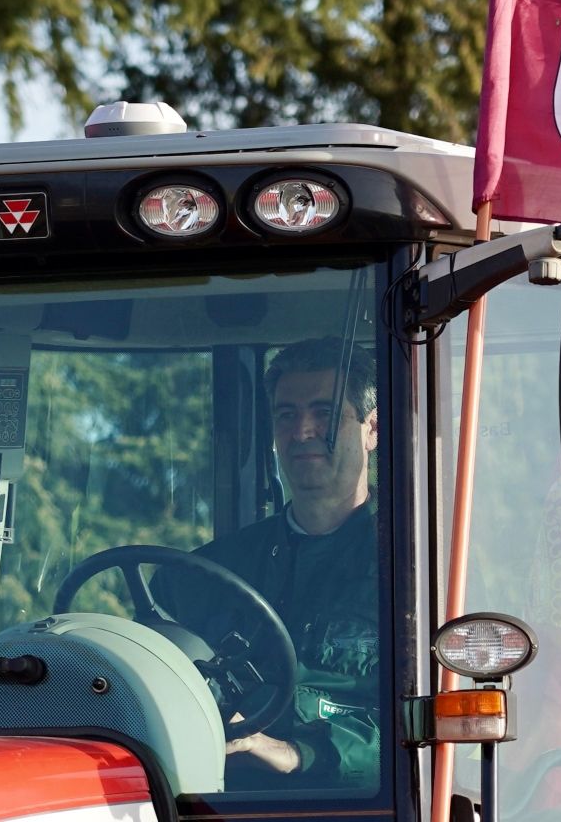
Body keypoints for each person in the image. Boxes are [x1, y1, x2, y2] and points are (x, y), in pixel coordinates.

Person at [161, 337, 381, 788]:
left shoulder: (417, 571)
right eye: (287, 415)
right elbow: (145, 683)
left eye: (324, 413)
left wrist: (296, 753)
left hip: (359, 805)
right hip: (211, 798)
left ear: (372, 429)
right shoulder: (204, 573)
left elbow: (432, 727)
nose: (302, 432)